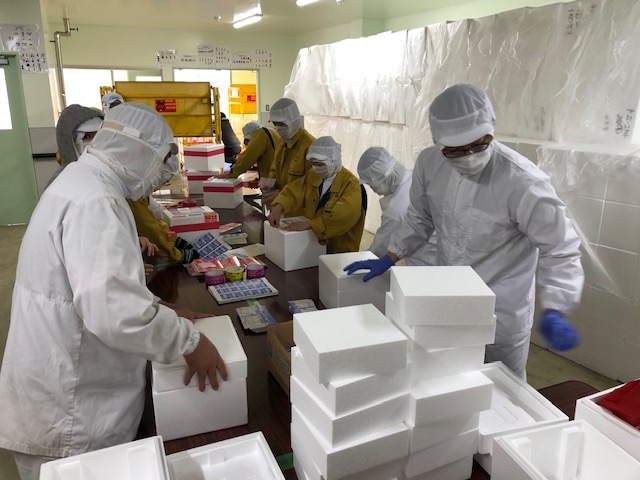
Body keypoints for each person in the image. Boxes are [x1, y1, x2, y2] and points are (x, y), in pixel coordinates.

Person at [0, 103, 227, 480]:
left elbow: (93, 285)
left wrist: (163, 308)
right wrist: (190, 342)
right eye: (162, 161)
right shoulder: (98, 201)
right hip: (73, 413)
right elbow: (115, 312)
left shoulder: (79, 181)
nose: (162, 174)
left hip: (57, 387)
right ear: (138, 149)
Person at [344, 84, 584, 379]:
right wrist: (391, 255)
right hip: (450, 298)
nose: (469, 156)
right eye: (455, 151)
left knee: (503, 385)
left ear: (491, 129)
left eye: (479, 145)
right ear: (438, 142)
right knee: (450, 376)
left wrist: (557, 305)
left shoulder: (523, 181)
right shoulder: (429, 164)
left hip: (501, 309)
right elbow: (420, 218)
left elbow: (559, 247)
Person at [267, 136, 365, 254]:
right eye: (313, 163)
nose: (316, 168)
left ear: (334, 160)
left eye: (320, 164)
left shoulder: (351, 185)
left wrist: (310, 224)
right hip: (314, 244)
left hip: (339, 250)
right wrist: (278, 207)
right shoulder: (313, 175)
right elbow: (294, 191)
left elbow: (343, 218)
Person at [357, 146, 437, 266]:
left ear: (382, 178)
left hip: (426, 263)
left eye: (371, 184)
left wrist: (356, 262)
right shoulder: (415, 176)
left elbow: (378, 251)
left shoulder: (395, 210)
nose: (372, 189)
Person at [262, 98, 315, 207]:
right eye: (275, 124)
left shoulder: (310, 146)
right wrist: (269, 184)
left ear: (294, 121)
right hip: (284, 207)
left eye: (281, 124)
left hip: (302, 210)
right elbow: (275, 169)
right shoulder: (282, 142)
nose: (277, 128)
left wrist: (283, 196)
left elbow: (312, 186)